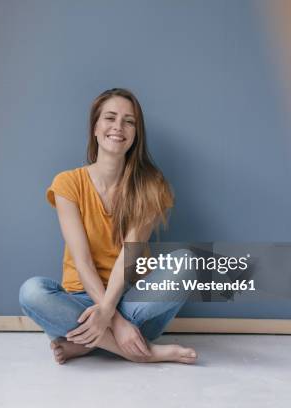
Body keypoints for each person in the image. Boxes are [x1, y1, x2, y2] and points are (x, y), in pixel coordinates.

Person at [19, 88, 198, 364]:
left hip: (135, 301)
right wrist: (113, 320)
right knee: (31, 292)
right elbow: (83, 262)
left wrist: (109, 312)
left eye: (129, 121)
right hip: (82, 302)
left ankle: (89, 344)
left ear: (136, 133)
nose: (118, 127)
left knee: (188, 262)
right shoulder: (68, 183)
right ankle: (142, 352)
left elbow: (129, 258)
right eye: (110, 118)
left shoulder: (150, 186)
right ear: (95, 127)